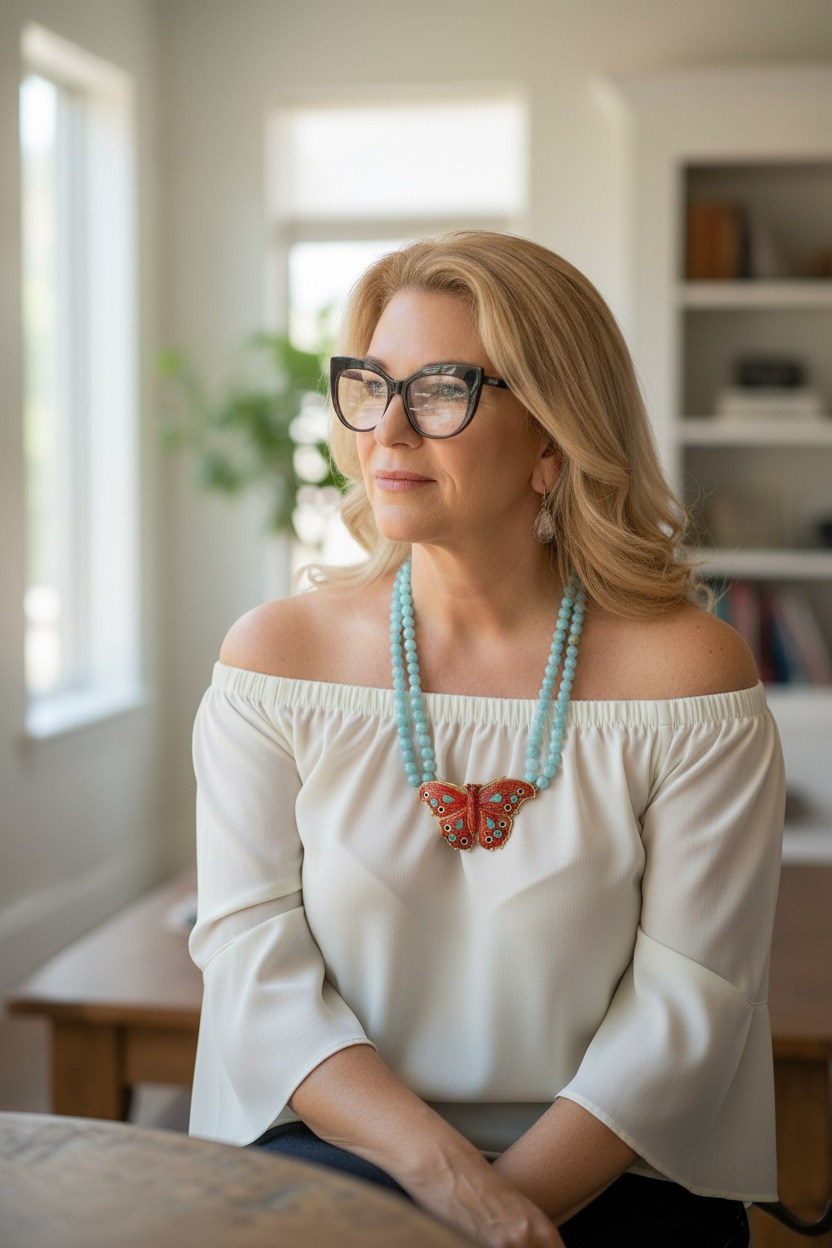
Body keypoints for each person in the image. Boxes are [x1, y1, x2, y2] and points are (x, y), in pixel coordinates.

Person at [188, 231, 784, 1248]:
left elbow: (690, 1000)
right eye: (373, 386)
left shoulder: (690, 677)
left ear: (552, 439)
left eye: (440, 392)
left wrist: (510, 1211)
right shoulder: (276, 661)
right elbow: (255, 971)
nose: (387, 430)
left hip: (620, 1162)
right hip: (339, 1147)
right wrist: (460, 1196)